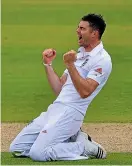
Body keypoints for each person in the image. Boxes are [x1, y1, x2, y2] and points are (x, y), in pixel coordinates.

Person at [9, 13, 112, 161]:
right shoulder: (80, 55)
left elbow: (85, 91)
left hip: (71, 113)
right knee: (17, 148)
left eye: (82, 28)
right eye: (78, 27)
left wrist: (70, 65)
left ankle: (83, 147)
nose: (77, 31)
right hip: (56, 108)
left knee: (38, 154)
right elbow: (60, 88)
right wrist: (48, 64)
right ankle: (71, 138)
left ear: (94, 33)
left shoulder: (102, 59)